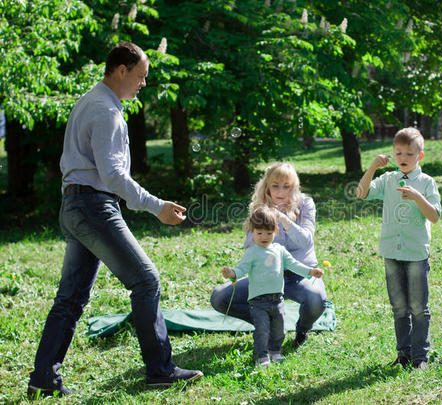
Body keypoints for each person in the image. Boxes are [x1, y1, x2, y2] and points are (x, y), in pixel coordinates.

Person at [27, 42, 202, 398]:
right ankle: (160, 370)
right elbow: (113, 176)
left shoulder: (91, 100)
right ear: (120, 70)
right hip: (93, 207)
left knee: (70, 299)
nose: (143, 84)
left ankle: (43, 378)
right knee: (146, 281)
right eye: (140, 76)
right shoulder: (106, 110)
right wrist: (157, 207)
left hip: (75, 207)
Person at [211, 162, 327, 348]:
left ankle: (302, 330)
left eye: (286, 186)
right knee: (220, 297)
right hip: (267, 276)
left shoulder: (306, 203)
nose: (280, 191)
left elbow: (306, 240)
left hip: (300, 273)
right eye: (275, 185)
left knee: (316, 301)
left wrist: (282, 219)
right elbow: (250, 244)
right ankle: (269, 323)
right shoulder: (261, 208)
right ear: (267, 187)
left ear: (294, 186)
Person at [356, 127, 441, 370]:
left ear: (420, 156)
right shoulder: (389, 179)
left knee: (418, 307)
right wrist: (373, 167)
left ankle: (420, 356)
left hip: (415, 254)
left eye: (409, 153)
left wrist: (417, 197)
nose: (403, 157)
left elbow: (434, 217)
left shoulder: (426, 183)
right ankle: (403, 354)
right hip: (392, 252)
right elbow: (361, 193)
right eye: (399, 153)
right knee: (400, 307)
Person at [221, 206, 324, 366]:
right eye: (259, 233)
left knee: (279, 329)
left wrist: (310, 271)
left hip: (277, 299)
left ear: (275, 231)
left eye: (268, 233)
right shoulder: (252, 252)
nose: (264, 237)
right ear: (252, 232)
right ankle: (261, 356)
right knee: (262, 331)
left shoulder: (279, 250)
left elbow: (294, 264)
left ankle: (275, 351)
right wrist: (232, 273)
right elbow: (242, 269)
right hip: (258, 301)